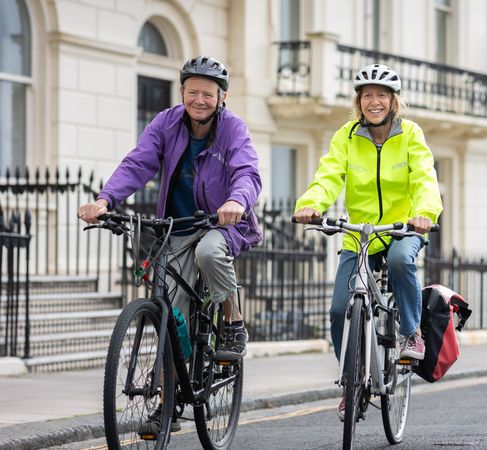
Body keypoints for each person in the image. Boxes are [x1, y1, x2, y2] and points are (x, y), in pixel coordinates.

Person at [78, 55, 262, 363]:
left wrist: (236, 201)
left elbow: (247, 172)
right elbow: (138, 163)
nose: (199, 100)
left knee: (209, 252)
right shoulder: (167, 122)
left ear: (222, 98)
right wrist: (104, 200)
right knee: (172, 315)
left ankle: (233, 320)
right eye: (192, 92)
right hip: (178, 225)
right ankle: (171, 388)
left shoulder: (233, 129)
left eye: (208, 94)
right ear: (182, 93)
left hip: (221, 223)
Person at [293, 63, 443, 420]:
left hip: (402, 228)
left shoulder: (410, 135)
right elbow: (329, 175)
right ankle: (351, 380)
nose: (374, 102)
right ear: (358, 102)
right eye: (367, 96)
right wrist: (311, 204)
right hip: (360, 233)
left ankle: (410, 333)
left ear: (394, 102)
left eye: (381, 96)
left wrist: (424, 214)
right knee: (337, 309)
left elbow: (424, 177)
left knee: (400, 262)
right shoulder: (346, 136)